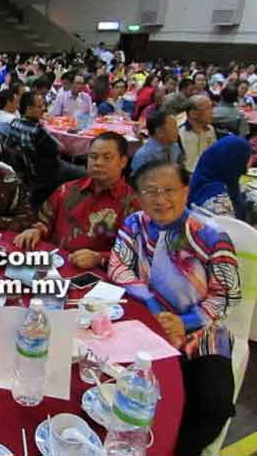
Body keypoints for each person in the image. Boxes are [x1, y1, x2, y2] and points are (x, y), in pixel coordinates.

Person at [108, 160, 239, 456]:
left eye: (169, 190)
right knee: (124, 388)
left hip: (201, 331)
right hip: (145, 322)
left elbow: (228, 294)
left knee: (212, 402)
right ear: (138, 195)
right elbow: (117, 266)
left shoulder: (209, 235)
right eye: (150, 191)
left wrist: (185, 321)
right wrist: (152, 303)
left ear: (185, 190)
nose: (160, 199)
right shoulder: (135, 223)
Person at [14, 132, 139, 269]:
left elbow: (132, 254)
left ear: (123, 161)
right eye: (93, 157)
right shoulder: (67, 189)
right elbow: (45, 220)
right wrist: (36, 231)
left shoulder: (132, 204)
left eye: (107, 157)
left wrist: (99, 258)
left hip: (97, 274)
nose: (98, 163)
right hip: (54, 263)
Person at [3, 90, 84, 208]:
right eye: (40, 106)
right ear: (29, 108)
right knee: (85, 174)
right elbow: (60, 149)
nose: (44, 109)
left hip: (27, 170)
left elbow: (8, 146)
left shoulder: (14, 124)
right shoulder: (37, 131)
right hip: (48, 172)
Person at [188, 135, 251, 220]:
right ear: (234, 163)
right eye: (243, 162)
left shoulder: (204, 177)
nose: (245, 169)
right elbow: (231, 231)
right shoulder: (219, 201)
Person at [130, 108, 184, 175]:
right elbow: (138, 183)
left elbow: (180, 171)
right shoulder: (144, 156)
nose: (177, 130)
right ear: (159, 132)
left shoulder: (175, 147)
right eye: (174, 127)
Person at [179, 95, 217, 173]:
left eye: (212, 107)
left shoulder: (210, 129)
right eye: (208, 109)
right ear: (193, 113)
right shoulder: (179, 132)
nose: (212, 112)